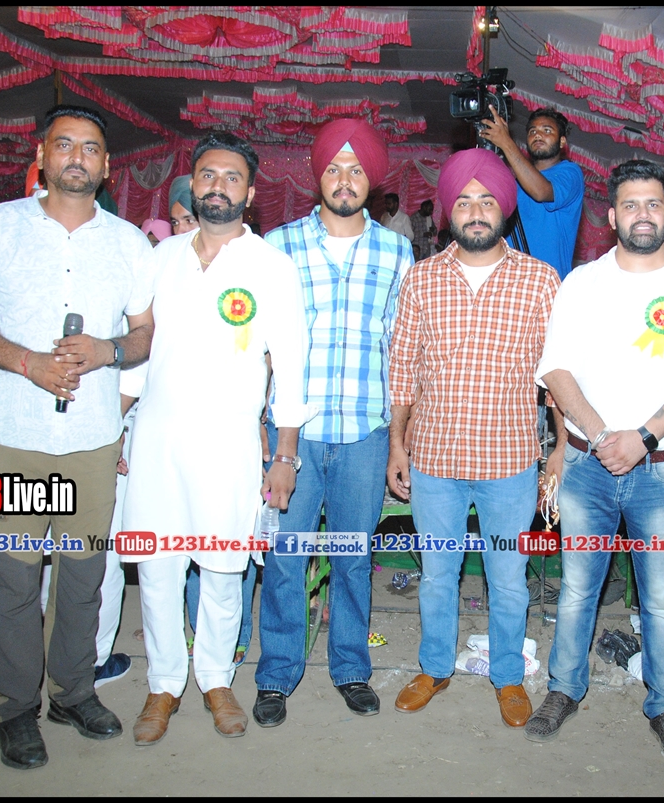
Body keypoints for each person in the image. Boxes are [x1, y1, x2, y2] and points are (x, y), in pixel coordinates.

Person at [0, 104, 154, 770]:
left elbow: (144, 334)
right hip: (12, 433)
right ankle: (15, 708)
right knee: (12, 576)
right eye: (64, 144)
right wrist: (27, 363)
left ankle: (73, 692)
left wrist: (107, 350)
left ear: (106, 165)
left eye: (90, 148)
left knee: (84, 574)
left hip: (92, 438)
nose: (77, 157)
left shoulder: (129, 242)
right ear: (41, 155)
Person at [525, 160, 664, 760]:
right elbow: (555, 368)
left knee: (661, 596)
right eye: (631, 204)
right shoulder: (582, 283)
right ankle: (563, 690)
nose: (642, 214)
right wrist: (600, 433)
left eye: (653, 204)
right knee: (577, 589)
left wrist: (643, 437)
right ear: (611, 216)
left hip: (661, 469)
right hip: (587, 466)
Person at [121, 132, 309, 744]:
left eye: (232, 178)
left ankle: (215, 679)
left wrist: (285, 454)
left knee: (224, 568)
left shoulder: (270, 267)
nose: (218, 187)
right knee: (158, 567)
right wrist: (118, 427)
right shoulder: (161, 257)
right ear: (192, 184)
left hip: (229, 444)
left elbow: (292, 366)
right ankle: (163, 684)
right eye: (208, 175)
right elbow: (140, 353)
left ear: (250, 194)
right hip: (156, 439)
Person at [388, 147, 560, 728]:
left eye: (488, 200)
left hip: (510, 460)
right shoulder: (422, 279)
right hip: (434, 458)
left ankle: (507, 676)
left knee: (507, 579)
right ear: (448, 211)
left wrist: (561, 448)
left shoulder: (539, 280)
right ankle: (434, 667)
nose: (477, 210)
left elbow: (556, 372)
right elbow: (403, 369)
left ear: (504, 208)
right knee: (438, 574)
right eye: (464, 201)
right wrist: (397, 445)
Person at [254, 118, 411, 727]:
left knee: (353, 558)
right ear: (317, 175)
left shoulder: (396, 251)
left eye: (357, 170)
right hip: (293, 434)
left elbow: (401, 350)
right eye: (334, 169)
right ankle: (276, 675)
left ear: (372, 180)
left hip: (365, 432)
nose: (345, 180)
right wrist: (263, 431)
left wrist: (398, 440)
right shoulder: (279, 245)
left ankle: (350, 667)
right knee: (285, 557)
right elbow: (260, 346)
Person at [479, 106, 584, 279]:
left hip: (548, 282)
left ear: (562, 142)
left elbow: (541, 192)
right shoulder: (514, 182)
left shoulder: (571, 173)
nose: (537, 135)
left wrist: (506, 143)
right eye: (532, 131)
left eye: (547, 130)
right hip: (509, 280)